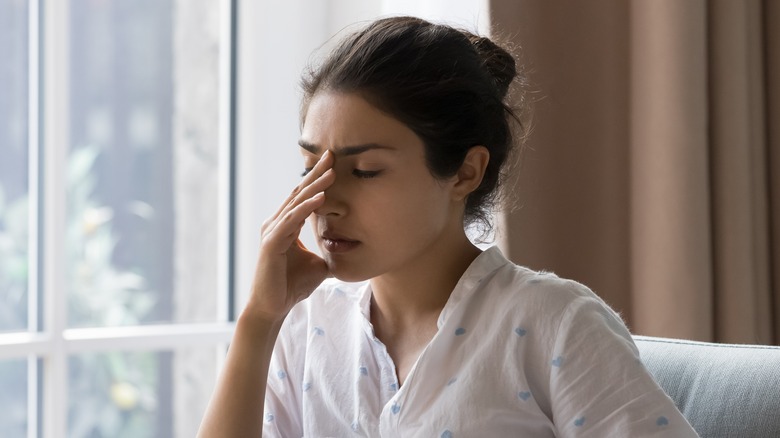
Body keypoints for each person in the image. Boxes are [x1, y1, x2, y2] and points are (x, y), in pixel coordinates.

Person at [198, 16, 699, 437]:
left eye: (365, 171)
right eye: (311, 169)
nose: (324, 202)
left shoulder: (555, 324)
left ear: (464, 173)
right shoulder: (306, 327)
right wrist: (259, 321)